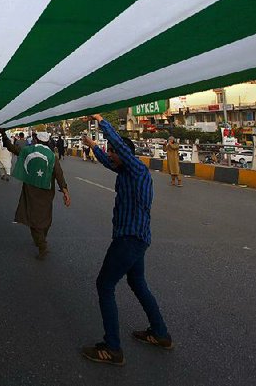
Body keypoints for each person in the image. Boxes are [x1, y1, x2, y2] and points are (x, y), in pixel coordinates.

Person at [80, 114, 172, 366]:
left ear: (125, 155)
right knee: (137, 282)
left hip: (129, 240)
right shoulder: (125, 171)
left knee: (104, 285)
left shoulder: (137, 168)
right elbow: (109, 161)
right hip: (137, 239)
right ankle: (160, 333)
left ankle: (112, 348)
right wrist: (93, 147)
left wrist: (101, 121)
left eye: (114, 152)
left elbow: (120, 149)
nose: (111, 155)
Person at [0, 129, 71, 260]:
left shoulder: (28, 151)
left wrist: (3, 134)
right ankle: (42, 237)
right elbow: (59, 175)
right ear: (48, 141)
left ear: (36, 140)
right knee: (45, 216)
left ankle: (42, 244)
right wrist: (65, 192)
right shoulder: (52, 156)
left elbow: (11, 147)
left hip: (31, 190)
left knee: (33, 217)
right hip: (47, 192)